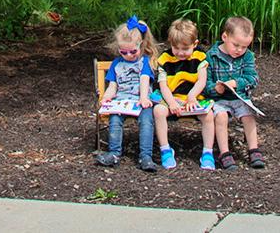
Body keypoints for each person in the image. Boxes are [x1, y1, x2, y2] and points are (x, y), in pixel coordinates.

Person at [96, 16, 160, 172]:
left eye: (133, 51)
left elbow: (145, 80)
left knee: (146, 120)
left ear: (141, 45)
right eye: (123, 52)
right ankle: (114, 153)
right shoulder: (117, 64)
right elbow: (113, 85)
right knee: (115, 119)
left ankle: (145, 156)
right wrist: (106, 98)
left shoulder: (144, 62)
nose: (128, 55)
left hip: (140, 100)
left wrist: (144, 98)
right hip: (122, 101)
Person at [202, 15, 266, 169]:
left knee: (248, 116)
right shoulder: (211, 56)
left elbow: (253, 78)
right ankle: (225, 153)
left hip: (240, 98)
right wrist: (215, 89)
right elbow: (205, 84)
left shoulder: (247, 57)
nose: (239, 50)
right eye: (236, 45)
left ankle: (253, 150)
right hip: (219, 100)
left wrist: (237, 83)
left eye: (244, 47)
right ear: (225, 36)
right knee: (221, 117)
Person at [151, 19, 210, 169]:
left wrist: (192, 97)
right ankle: (165, 149)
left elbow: (202, 80)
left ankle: (207, 152)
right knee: (158, 111)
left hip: (192, 97)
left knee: (208, 115)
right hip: (171, 97)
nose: (180, 52)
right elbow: (163, 85)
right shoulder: (165, 59)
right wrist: (171, 102)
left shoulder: (199, 57)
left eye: (185, 48)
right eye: (176, 48)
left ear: (195, 44)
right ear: (170, 43)